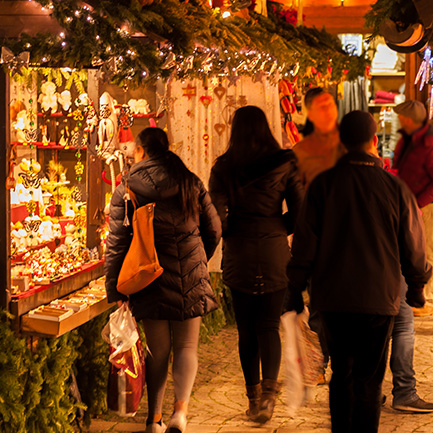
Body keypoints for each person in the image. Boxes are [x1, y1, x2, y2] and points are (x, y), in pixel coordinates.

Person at [286, 110, 432, 433]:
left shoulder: (323, 186)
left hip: (333, 299)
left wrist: (295, 289)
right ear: (374, 142)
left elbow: (304, 244)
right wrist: (417, 287)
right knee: (369, 380)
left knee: (342, 373)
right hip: (379, 299)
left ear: (342, 143)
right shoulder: (395, 188)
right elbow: (414, 244)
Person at [104, 127, 222, 433]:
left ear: (142, 150)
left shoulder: (128, 187)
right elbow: (214, 229)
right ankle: (179, 413)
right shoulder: (190, 181)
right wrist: (199, 259)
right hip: (190, 274)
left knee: (158, 350)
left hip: (148, 275)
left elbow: (116, 241)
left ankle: (153, 420)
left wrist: (114, 288)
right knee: (186, 347)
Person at [209, 105, 304, 424]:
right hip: (275, 251)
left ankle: (253, 399)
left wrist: (233, 230)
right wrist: (278, 226)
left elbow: (216, 219)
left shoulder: (223, 167)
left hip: (239, 252)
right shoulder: (287, 162)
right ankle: (268, 399)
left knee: (246, 329)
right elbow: (302, 211)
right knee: (268, 326)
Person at [293, 87, 346, 382]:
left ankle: (339, 361)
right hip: (318, 241)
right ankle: (320, 361)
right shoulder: (300, 152)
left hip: (349, 238)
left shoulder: (348, 145)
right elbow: (297, 201)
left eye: (331, 105)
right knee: (319, 307)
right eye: (321, 106)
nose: (328, 111)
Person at [393, 100, 433, 302]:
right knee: (414, 247)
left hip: (425, 206)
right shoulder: (408, 140)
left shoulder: (429, 143)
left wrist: (419, 203)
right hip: (410, 203)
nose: (399, 121)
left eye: (402, 118)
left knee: (425, 249)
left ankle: (425, 297)